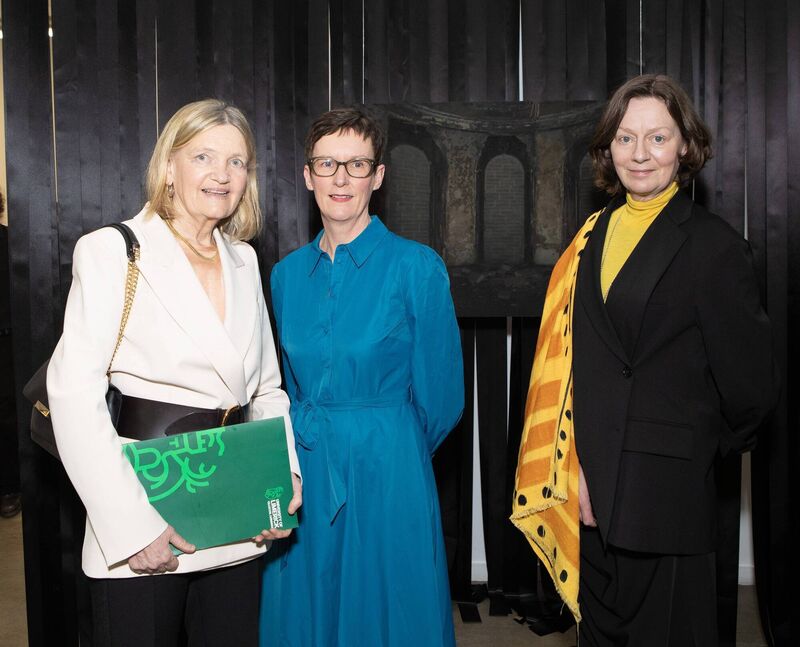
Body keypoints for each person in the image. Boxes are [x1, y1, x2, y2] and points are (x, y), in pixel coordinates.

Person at [512, 74, 778, 646]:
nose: (640, 154)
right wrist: (579, 469)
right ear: (608, 145)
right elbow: (584, 373)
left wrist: (688, 456)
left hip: (670, 498)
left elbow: (752, 391)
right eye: (626, 138)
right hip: (593, 489)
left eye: (657, 138)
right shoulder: (589, 236)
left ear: (685, 146)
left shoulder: (715, 247)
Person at [47, 99, 301, 646]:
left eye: (237, 162)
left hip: (236, 514)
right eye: (204, 156)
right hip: (147, 510)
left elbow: (267, 390)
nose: (222, 174)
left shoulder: (244, 259)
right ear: (169, 167)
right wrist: (132, 526)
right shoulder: (113, 252)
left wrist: (280, 483)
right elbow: (72, 396)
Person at [260, 108, 463, 646]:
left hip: (388, 469)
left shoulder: (417, 267)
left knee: (389, 613)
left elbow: (442, 398)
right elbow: (280, 386)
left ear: (378, 177)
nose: (341, 178)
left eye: (356, 164)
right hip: (305, 469)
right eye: (327, 164)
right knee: (306, 610)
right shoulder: (284, 276)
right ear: (307, 176)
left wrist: (389, 446)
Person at [0, 191, 22, 519]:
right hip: (6, 341)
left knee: (6, 418)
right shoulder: (9, 240)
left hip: (5, 342)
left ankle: (7, 491)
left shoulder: (10, 240)